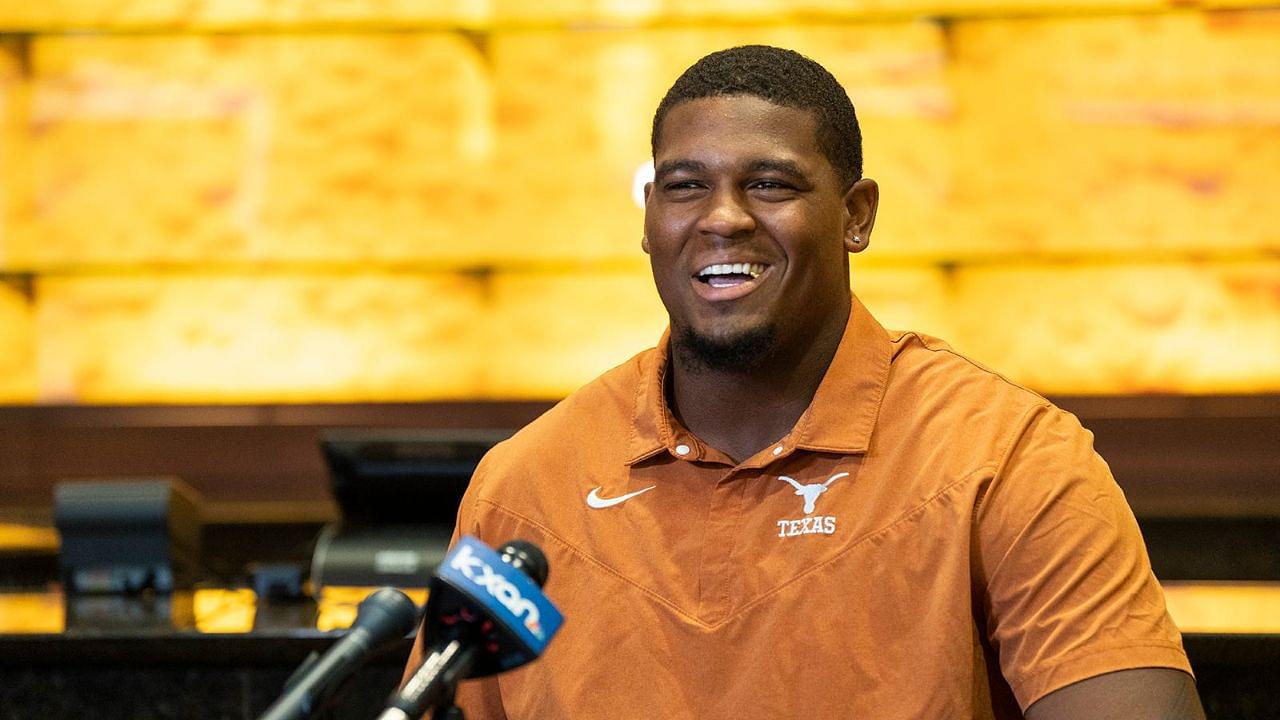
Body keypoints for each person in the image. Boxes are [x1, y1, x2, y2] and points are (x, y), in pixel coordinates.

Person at [404, 45, 1202, 719]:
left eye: (771, 185)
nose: (723, 218)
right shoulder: (523, 486)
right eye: (685, 186)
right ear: (650, 220)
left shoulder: (1008, 457)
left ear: (857, 215)